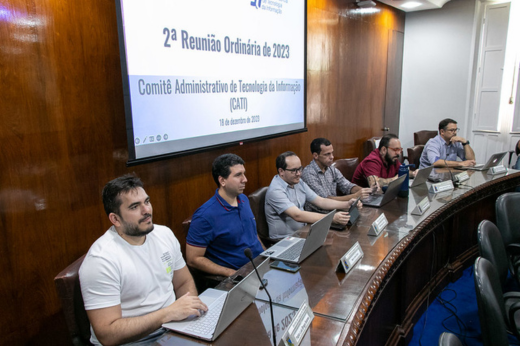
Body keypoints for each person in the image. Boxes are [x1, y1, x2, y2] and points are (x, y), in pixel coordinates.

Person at [79, 174, 207, 346]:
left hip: (173, 328)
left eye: (146, 202)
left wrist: (191, 314)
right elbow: (107, 334)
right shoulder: (101, 260)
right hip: (135, 342)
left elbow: (183, 282)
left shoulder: (164, 234)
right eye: (134, 207)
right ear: (115, 219)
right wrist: (167, 314)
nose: (146, 210)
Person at [186, 154, 265, 277]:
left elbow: (253, 235)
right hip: (238, 276)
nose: (245, 179)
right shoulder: (204, 216)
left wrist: (268, 255)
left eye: (244, 173)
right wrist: (232, 273)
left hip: (262, 266)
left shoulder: (243, 199)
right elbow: (193, 259)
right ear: (222, 180)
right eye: (238, 175)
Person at [265, 151, 360, 240]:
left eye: (299, 169)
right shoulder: (275, 190)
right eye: (294, 170)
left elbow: (321, 201)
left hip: (304, 233)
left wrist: (347, 204)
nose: (299, 174)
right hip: (286, 240)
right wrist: (331, 218)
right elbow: (297, 215)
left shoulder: (298, 182)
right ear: (281, 171)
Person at [301, 138, 372, 213]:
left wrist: (364, 191)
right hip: (319, 217)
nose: (332, 157)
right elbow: (325, 200)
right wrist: (355, 196)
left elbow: (347, 186)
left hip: (336, 211)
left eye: (332, 153)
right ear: (315, 155)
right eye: (327, 154)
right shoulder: (309, 173)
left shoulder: (330, 168)